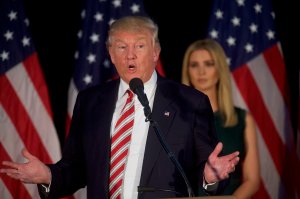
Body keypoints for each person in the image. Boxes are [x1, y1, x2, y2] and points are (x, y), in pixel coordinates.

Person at [1, 16, 239, 199]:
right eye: (122, 47)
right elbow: (76, 168)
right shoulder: (90, 101)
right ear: (111, 54)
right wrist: (48, 175)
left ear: (156, 52)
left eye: (140, 46)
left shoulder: (189, 102)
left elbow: (203, 169)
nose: (130, 56)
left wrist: (210, 176)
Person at [181, 38, 260, 198]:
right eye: (194, 65)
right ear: (187, 71)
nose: (201, 72)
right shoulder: (175, 118)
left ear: (220, 69)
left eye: (209, 64)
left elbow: (252, 180)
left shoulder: (243, 119)